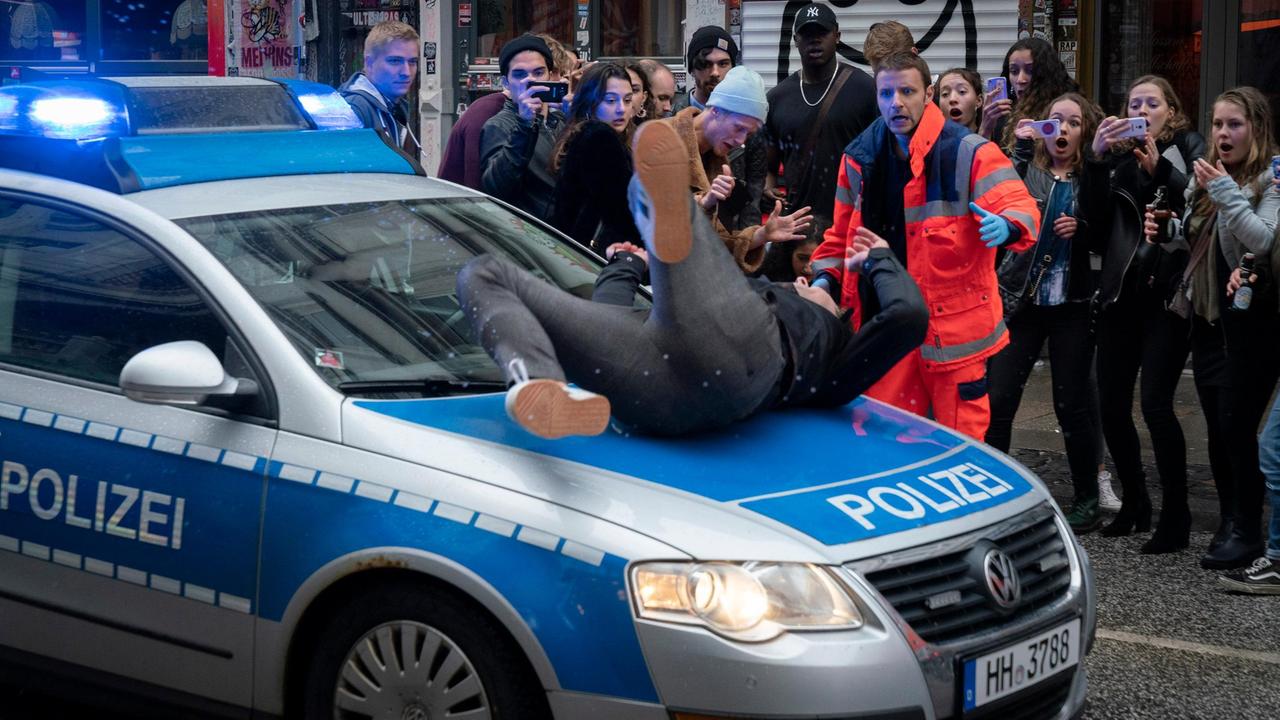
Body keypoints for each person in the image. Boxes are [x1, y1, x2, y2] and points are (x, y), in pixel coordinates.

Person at [456, 121, 928, 439]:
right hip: (662, 389)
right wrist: (624, 267)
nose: (805, 284)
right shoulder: (808, 340)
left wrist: (881, 261)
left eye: (814, 291)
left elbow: (908, 316)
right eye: (806, 283)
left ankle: (663, 206)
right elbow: (612, 320)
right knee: (483, 272)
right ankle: (541, 387)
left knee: (649, 190)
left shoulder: (835, 364)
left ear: (838, 321)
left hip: (746, 361)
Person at [810, 51, 1040, 440]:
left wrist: (1009, 226)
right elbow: (840, 235)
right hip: (888, 324)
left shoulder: (967, 152)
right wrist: (823, 281)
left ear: (928, 93)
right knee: (882, 442)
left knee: (961, 446)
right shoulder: (858, 158)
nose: (895, 102)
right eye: (886, 93)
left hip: (952, 335)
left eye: (906, 91)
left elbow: (1020, 204)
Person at [1148, 86, 1279, 569]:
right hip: (1208, 317)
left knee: (1237, 426)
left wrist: (1224, 191)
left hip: (1252, 324)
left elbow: (1262, 240)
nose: (1223, 134)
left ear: (1257, 129)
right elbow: (1195, 242)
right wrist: (1168, 234)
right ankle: (1230, 520)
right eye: (1219, 124)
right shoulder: (1207, 178)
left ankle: (1247, 528)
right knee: (1221, 430)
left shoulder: (1272, 179)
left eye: (1235, 125)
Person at [1091, 75, 1206, 552]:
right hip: (1121, 295)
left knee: (1157, 405)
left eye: (1151, 103)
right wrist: (1096, 161)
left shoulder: (1186, 147)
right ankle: (1136, 503)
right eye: (1134, 103)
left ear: (1170, 111)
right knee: (1112, 406)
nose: (1142, 109)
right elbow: (1095, 225)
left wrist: (1162, 170)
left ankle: (1175, 515)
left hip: (1165, 297)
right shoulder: (1114, 159)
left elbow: (1200, 208)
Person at [986, 93, 1108, 532]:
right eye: (1055, 121)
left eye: (1073, 123)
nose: (1063, 129)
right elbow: (999, 197)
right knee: (999, 399)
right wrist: (1018, 148)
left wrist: (1083, 228)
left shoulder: (1092, 176)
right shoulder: (1029, 171)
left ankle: (1086, 499)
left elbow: (1105, 229)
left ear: (1083, 133)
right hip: (1023, 302)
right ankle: (993, 493)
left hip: (1071, 305)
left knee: (1071, 403)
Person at [651, 65, 813, 273]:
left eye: (748, 134)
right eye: (738, 128)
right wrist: (704, 201)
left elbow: (717, 241)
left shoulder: (718, 163)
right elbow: (657, 218)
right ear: (716, 110)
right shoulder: (660, 140)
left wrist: (762, 235)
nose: (740, 141)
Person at [763, 2, 878, 220]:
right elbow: (768, 166)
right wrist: (768, 188)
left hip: (851, 221)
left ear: (837, 36)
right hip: (797, 226)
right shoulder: (778, 98)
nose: (814, 39)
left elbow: (882, 160)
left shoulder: (865, 89)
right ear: (796, 40)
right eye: (806, 34)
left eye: (822, 32)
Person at [675, 25, 769, 234]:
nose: (715, 73)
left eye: (723, 64)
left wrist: (750, 239)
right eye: (706, 64)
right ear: (691, 68)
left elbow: (753, 193)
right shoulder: (670, 119)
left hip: (726, 233)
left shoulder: (752, 125)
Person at [549, 62, 640, 252]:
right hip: (601, 257)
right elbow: (624, 211)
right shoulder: (598, 137)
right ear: (591, 102)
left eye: (627, 100)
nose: (621, 109)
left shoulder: (581, 134)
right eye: (610, 100)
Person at [479, 35, 567, 220]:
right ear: (505, 83)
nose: (531, 81)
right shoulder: (498, 126)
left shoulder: (559, 120)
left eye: (538, 72)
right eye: (520, 75)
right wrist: (524, 125)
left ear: (551, 76)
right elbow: (495, 189)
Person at [339, 21, 421, 155]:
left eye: (412, 62)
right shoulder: (355, 110)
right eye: (395, 61)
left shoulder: (393, 107)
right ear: (369, 63)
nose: (406, 72)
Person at [983, 38, 1078, 152]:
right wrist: (985, 128)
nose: (1020, 79)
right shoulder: (1004, 116)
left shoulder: (1063, 114)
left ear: (1046, 74)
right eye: (1014, 71)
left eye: (1030, 71)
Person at [755, 217, 827, 283]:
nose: (808, 269)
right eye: (802, 258)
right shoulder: (765, 279)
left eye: (817, 260)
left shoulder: (833, 288)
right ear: (789, 253)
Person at [935, 67, 983, 133]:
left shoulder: (996, 138)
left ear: (978, 100)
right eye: (945, 94)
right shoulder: (932, 141)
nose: (952, 99)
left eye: (962, 91)